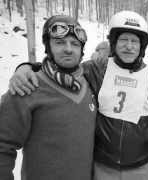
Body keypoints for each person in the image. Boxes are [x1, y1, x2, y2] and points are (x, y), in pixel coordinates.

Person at [8, 11, 148, 180]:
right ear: (114, 43)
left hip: (142, 166)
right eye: (123, 40)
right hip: (103, 166)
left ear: (142, 46)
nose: (129, 46)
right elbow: (63, 66)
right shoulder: (96, 70)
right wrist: (27, 67)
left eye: (135, 41)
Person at [0, 15, 96, 180]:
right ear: (48, 47)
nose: (68, 49)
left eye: (75, 44)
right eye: (60, 43)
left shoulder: (90, 83)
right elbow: (3, 146)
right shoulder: (27, 87)